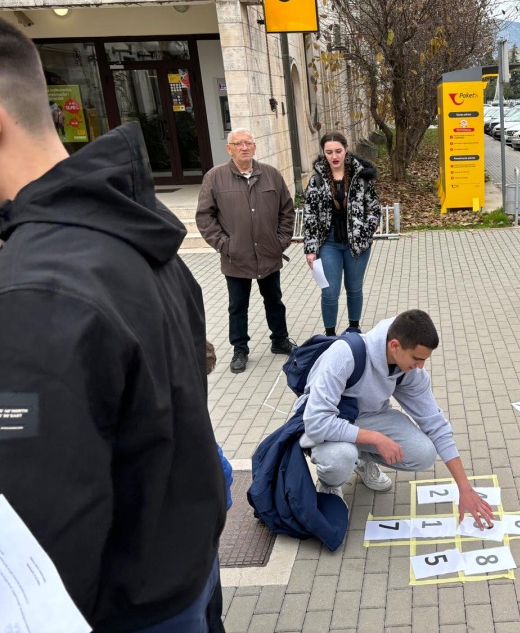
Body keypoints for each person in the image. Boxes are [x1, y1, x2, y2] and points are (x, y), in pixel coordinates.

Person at [0, 20, 226, 631]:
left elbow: (40, 547)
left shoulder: (34, 289)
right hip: (186, 568)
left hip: (131, 605)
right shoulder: (136, 235)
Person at [297, 310, 494, 528]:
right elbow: (316, 422)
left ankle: (362, 460)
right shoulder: (344, 354)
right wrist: (375, 438)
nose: (421, 367)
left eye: (425, 360)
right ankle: (329, 482)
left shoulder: (411, 371)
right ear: (395, 346)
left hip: (371, 417)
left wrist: (463, 487)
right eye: (417, 358)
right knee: (341, 457)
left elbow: (435, 424)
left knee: (425, 453)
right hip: (325, 421)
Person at [196, 127, 295, 374]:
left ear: (254, 147)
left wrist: (280, 240)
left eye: (248, 143)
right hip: (236, 257)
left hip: (269, 254)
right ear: (229, 149)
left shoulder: (271, 175)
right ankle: (240, 349)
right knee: (237, 306)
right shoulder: (215, 177)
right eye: (238, 144)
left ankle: (280, 340)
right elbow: (204, 217)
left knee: (274, 300)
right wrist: (223, 245)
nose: (244, 147)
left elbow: (287, 210)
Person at [302, 132, 381, 335]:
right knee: (329, 291)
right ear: (324, 153)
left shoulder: (361, 177)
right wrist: (311, 250)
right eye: (329, 152)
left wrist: (365, 233)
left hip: (357, 245)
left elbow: (374, 210)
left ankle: (353, 329)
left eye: (338, 151)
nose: (334, 156)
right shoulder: (316, 180)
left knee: (354, 288)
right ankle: (330, 335)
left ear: (346, 149)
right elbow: (310, 215)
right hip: (328, 244)